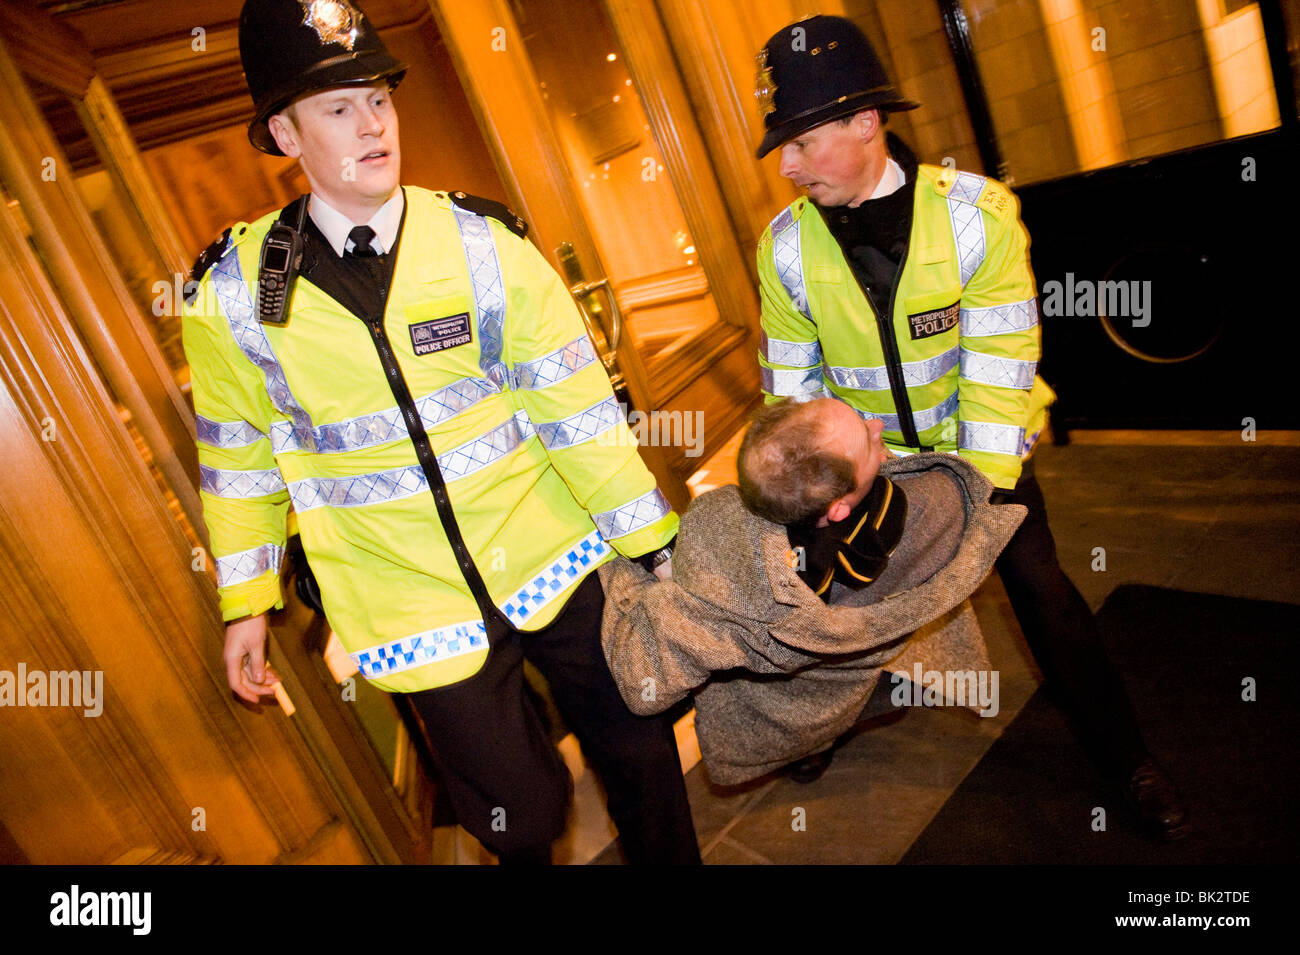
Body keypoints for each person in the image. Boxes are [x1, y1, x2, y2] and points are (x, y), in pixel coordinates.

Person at [181, 0, 697, 865]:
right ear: (285, 134)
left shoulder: (481, 241)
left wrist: (652, 541)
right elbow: (236, 459)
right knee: (522, 816)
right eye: (337, 108)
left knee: (643, 749)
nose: (372, 123)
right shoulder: (233, 296)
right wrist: (247, 601)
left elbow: (577, 412)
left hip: (553, 555)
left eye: (378, 98)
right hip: (405, 595)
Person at [751, 14, 1187, 839]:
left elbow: (1001, 360)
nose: (789, 165)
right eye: (783, 146)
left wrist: (974, 495)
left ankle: (1127, 756)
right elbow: (794, 393)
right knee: (819, 594)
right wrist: (829, 492)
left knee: (1043, 591)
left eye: (804, 141)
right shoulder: (782, 249)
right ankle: (814, 724)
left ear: (866, 121)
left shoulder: (975, 215)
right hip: (869, 466)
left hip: (980, 456)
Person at [601, 396, 1026, 785]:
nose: (877, 425)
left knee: (806, 715)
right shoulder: (933, 504)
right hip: (848, 665)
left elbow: (653, 669)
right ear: (838, 507)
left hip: (779, 701)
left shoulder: (717, 519)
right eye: (865, 435)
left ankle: (811, 749)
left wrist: (644, 573)